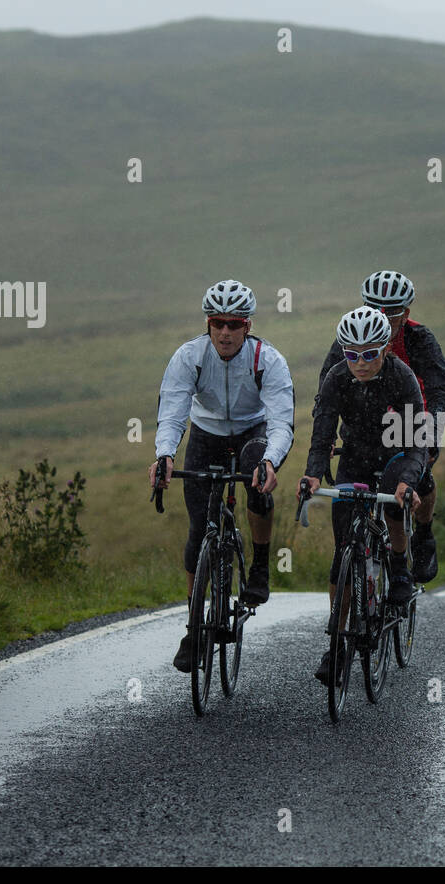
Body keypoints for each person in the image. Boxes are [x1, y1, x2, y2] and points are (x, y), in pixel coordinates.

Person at [149, 279, 295, 672]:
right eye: (218, 323)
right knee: (199, 530)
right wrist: (164, 455)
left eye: (234, 324)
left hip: (253, 431)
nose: (225, 332)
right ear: (208, 324)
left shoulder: (268, 360)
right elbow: (173, 412)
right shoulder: (189, 357)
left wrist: (271, 460)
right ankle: (195, 627)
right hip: (206, 434)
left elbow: (282, 421)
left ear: (247, 326)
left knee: (256, 475)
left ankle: (261, 564)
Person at [302, 307, 426, 685]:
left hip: (396, 454)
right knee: (343, 551)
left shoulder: (403, 379)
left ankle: (400, 568)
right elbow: (322, 436)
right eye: (351, 354)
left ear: (385, 348)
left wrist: (408, 481)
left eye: (369, 354)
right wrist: (310, 475)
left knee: (392, 498)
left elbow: (419, 444)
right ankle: (337, 644)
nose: (360, 363)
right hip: (354, 458)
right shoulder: (337, 378)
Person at [316, 270, 445, 585]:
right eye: (374, 306)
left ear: (406, 312)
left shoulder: (421, 340)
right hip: (363, 429)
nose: (382, 316)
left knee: (422, 470)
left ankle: (424, 535)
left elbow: (441, 395)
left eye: (391, 311)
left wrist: (430, 434)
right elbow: (326, 390)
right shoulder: (351, 339)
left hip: (409, 422)